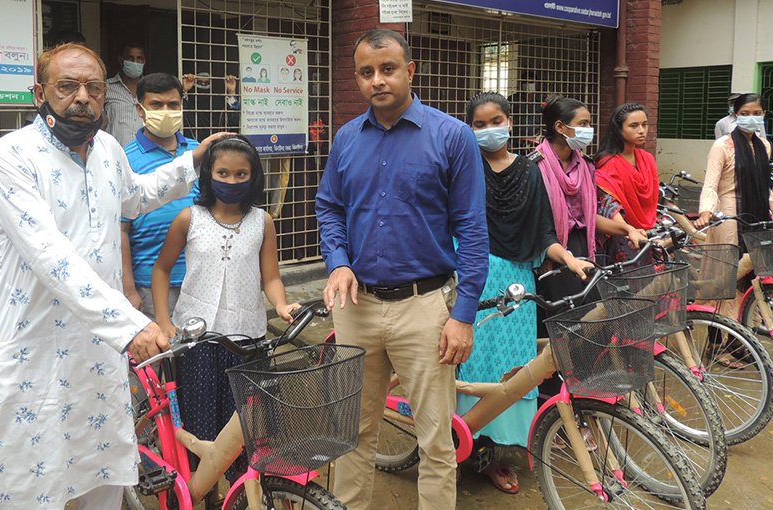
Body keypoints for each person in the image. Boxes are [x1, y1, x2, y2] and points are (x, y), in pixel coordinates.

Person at [0, 43, 229, 509]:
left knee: (102, 479)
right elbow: (51, 255)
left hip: (97, 354)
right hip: (34, 353)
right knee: (30, 487)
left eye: (93, 88)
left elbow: (136, 196)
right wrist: (130, 325)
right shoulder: (10, 156)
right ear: (39, 93)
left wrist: (192, 162)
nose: (83, 97)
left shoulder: (109, 149)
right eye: (67, 86)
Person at [315, 29, 489, 510]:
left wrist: (463, 315)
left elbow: (473, 228)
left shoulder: (451, 136)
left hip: (425, 307)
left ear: (410, 71)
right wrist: (338, 262)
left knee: (435, 439)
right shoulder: (347, 138)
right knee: (352, 432)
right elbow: (329, 206)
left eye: (388, 69)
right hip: (357, 307)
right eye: (366, 72)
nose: (377, 80)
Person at [457, 92, 591, 495]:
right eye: (479, 125)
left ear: (510, 122)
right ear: (469, 129)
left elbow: (544, 232)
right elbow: (450, 222)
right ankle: (472, 447)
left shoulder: (531, 172)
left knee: (514, 370)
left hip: (518, 283)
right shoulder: (464, 168)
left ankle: (498, 445)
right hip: (473, 278)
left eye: (496, 121)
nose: (488, 130)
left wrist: (568, 258)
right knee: (473, 366)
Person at [150, 135, 299, 479]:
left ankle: (241, 495)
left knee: (248, 434)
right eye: (223, 173)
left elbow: (271, 277)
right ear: (209, 175)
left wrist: (281, 304)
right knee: (200, 429)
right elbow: (161, 270)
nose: (231, 181)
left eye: (240, 174)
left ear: (253, 176)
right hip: (197, 344)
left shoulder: (262, 222)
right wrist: (163, 320)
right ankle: (203, 495)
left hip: (248, 343)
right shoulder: (189, 219)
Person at [532, 95, 647, 310]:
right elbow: (533, 224)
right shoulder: (534, 168)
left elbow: (589, 219)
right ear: (560, 127)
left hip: (584, 247)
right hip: (549, 253)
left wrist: (628, 229)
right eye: (583, 124)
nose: (589, 130)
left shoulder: (585, 166)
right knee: (564, 317)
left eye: (589, 124)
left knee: (592, 312)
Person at [122, 73, 199, 316]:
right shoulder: (124, 158)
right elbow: (120, 229)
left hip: (199, 275)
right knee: (160, 339)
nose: (166, 111)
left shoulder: (197, 152)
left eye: (173, 105)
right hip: (149, 281)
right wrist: (128, 289)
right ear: (140, 109)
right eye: (156, 105)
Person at [695, 93, 771, 334]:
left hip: (757, 216)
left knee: (752, 275)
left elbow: (765, 186)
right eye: (745, 114)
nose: (751, 118)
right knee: (725, 277)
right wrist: (706, 211)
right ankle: (718, 337)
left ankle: (744, 332)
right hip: (729, 216)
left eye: (756, 113)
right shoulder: (722, 145)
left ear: (764, 115)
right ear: (735, 115)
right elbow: (710, 184)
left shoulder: (764, 146)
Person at [595, 103, 659, 263]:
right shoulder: (608, 163)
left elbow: (653, 197)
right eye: (634, 126)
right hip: (622, 236)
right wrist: (628, 231)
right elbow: (609, 205)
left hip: (649, 231)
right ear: (618, 129)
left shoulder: (647, 158)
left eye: (644, 124)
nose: (641, 130)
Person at [103, 42, 146, 146]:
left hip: (145, 152)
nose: (135, 62)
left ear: (144, 61)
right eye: (130, 58)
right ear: (121, 60)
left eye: (139, 58)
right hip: (115, 151)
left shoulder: (150, 88)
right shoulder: (107, 88)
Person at [181, 72, 240, 140]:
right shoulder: (189, 104)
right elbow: (182, 114)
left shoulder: (219, 104)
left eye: (207, 83)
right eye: (199, 82)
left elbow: (234, 120)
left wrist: (231, 93)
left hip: (217, 143)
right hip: (193, 143)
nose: (203, 85)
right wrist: (184, 90)